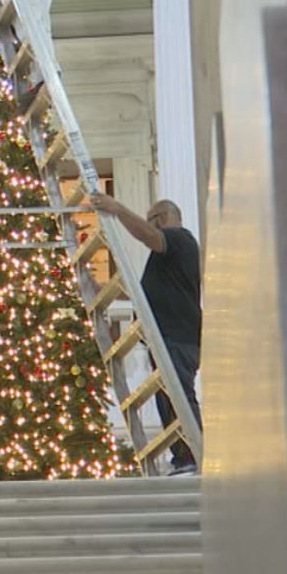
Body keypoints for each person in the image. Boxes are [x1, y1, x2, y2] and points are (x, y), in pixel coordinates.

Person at [89, 193, 202, 475]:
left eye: (152, 220)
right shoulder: (173, 256)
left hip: (175, 337)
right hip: (170, 337)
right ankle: (186, 455)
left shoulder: (178, 239)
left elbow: (150, 236)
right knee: (170, 395)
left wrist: (117, 209)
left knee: (177, 395)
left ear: (160, 219)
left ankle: (193, 455)